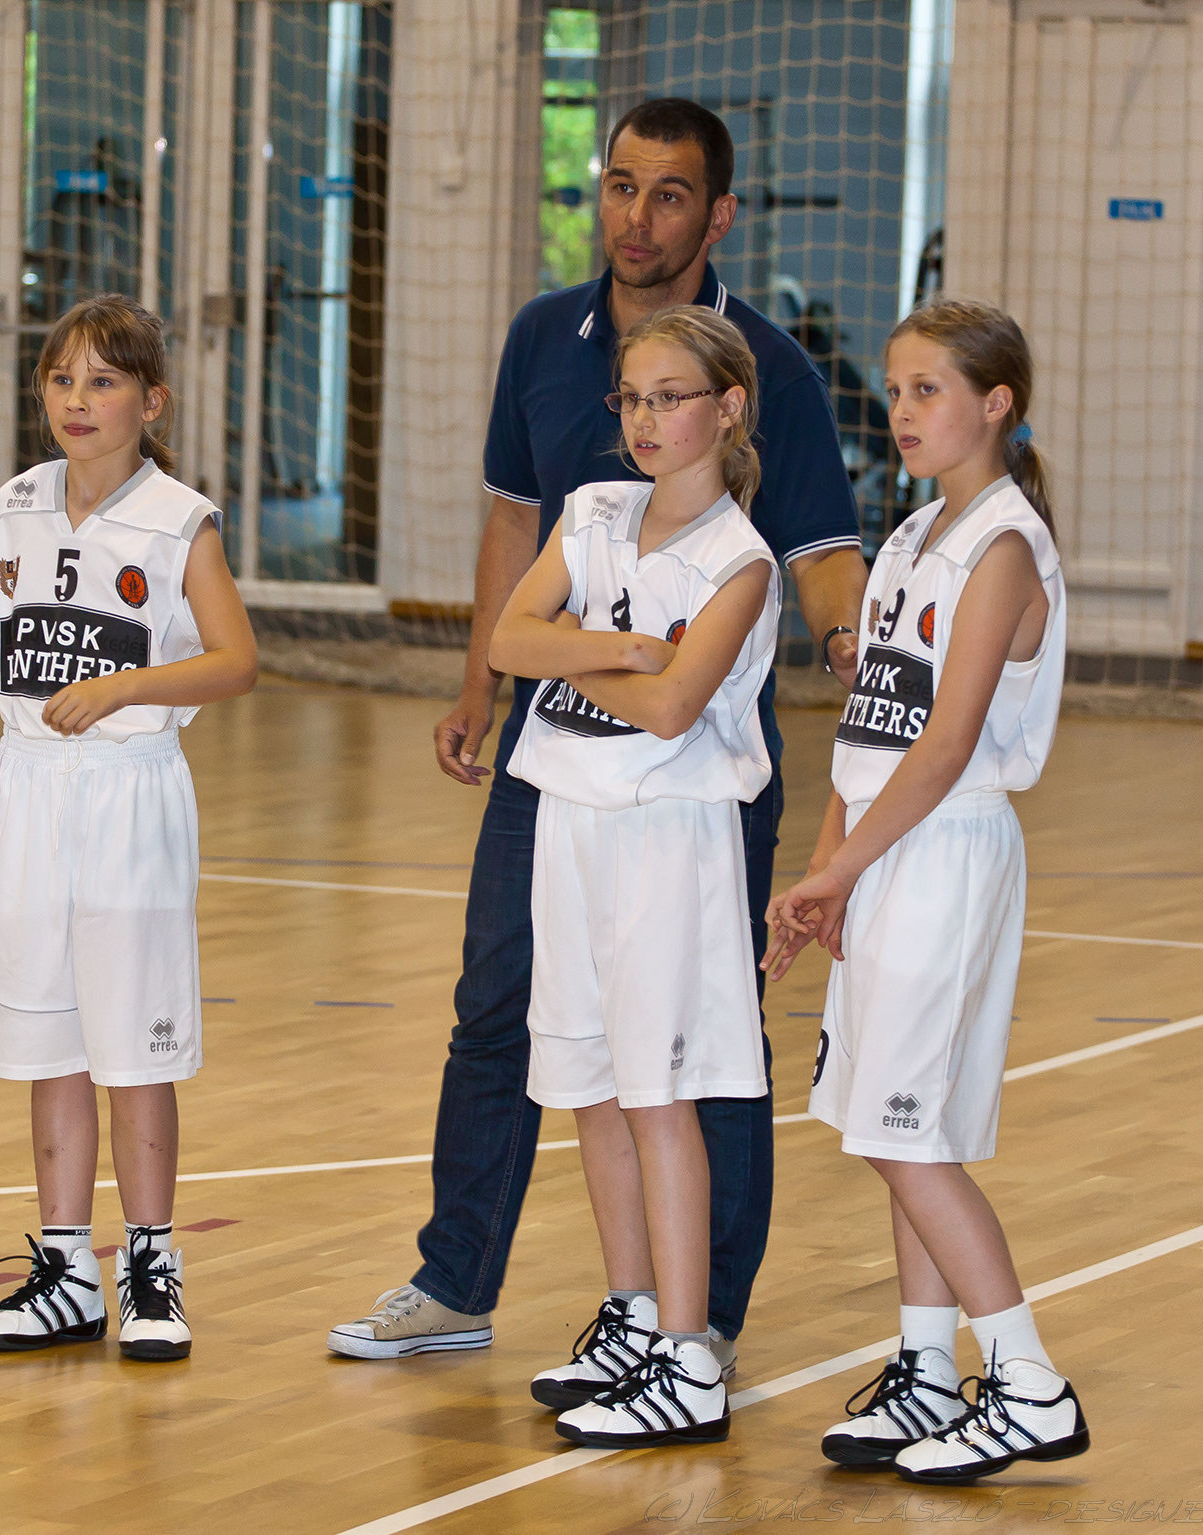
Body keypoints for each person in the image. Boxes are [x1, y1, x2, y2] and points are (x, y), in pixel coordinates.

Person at [328, 97, 867, 1369]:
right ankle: (456, 1281)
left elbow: (819, 552)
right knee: (498, 1006)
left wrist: (855, 647)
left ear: (715, 215)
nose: (636, 215)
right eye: (619, 185)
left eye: (667, 193)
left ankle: (697, 1316)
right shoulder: (541, 336)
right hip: (555, 761)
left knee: (698, 1042)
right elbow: (514, 526)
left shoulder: (767, 370)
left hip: (690, 787)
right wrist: (481, 686)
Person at [765, 298, 1089, 1483]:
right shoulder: (905, 538)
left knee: (906, 1137)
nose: (899, 410)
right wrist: (826, 868)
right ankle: (921, 1370)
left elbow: (946, 744)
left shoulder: (1001, 545)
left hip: (943, 850)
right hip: (880, 847)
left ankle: (1027, 1381)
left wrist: (844, 866)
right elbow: (868, 729)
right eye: (894, 389)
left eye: (926, 390)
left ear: (993, 404)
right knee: (882, 1123)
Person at [490, 307, 779, 1448]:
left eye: (670, 397)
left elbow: (672, 709)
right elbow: (510, 641)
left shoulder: (738, 562)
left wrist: (578, 653)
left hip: (668, 837)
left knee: (660, 1096)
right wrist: (617, 645)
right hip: (572, 820)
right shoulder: (594, 511)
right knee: (592, 1083)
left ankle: (688, 1353)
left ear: (728, 407)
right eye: (631, 398)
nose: (645, 420)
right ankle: (632, 1314)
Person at [0, 295, 257, 1362]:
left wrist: (125, 684)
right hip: (27, 789)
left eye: (102, 380)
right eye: (60, 378)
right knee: (49, 1039)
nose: (77, 400)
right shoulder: (13, 505)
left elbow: (235, 660)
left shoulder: (179, 520)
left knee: (132, 1045)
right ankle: (62, 1266)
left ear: (151, 401)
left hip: (129, 790)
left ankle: (149, 1260)